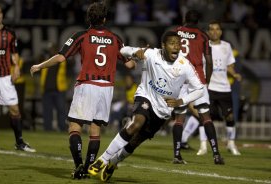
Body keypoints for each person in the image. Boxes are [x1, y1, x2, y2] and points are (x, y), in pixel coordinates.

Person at [30, 2, 135, 179]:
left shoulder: (81, 36)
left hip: (87, 85)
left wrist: (40, 66)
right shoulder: (116, 39)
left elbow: (61, 57)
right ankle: (88, 168)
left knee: (74, 127)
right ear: (104, 18)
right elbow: (130, 64)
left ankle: (78, 166)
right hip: (106, 89)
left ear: (89, 18)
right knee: (95, 130)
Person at [88, 30, 205, 182]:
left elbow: (200, 89)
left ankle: (113, 163)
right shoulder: (151, 54)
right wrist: (136, 53)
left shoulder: (185, 65)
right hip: (146, 96)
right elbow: (123, 50)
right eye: (172, 43)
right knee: (136, 124)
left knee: (135, 142)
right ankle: (103, 160)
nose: (176, 47)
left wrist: (180, 101)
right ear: (163, 46)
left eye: (178, 44)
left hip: (163, 110)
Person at [172, 10, 224, 164]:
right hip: (197, 79)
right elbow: (209, 60)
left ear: (184, 19)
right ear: (198, 21)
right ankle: (216, 154)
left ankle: (176, 155)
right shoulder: (203, 36)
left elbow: (168, 54)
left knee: (179, 118)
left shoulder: (176, 32)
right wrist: (206, 80)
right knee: (206, 116)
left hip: (180, 79)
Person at [0, 3, 35, 153]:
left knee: (15, 110)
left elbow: (14, 53)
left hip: (5, 78)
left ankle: (19, 142)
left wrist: (16, 67)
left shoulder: (9, 33)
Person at [195, 20, 242, 156]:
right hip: (208, 88)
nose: (215, 31)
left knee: (230, 116)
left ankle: (231, 144)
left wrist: (235, 74)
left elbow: (229, 66)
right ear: (208, 32)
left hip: (224, 88)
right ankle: (203, 146)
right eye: (212, 29)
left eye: (217, 29)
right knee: (204, 116)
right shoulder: (203, 46)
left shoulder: (227, 46)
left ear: (221, 31)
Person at [40, 42, 68, 132]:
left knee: (61, 110)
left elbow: (72, 63)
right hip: (47, 89)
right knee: (47, 110)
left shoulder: (62, 59)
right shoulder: (46, 59)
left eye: (52, 49)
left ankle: (62, 127)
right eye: (50, 49)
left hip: (59, 89)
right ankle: (47, 128)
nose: (51, 50)